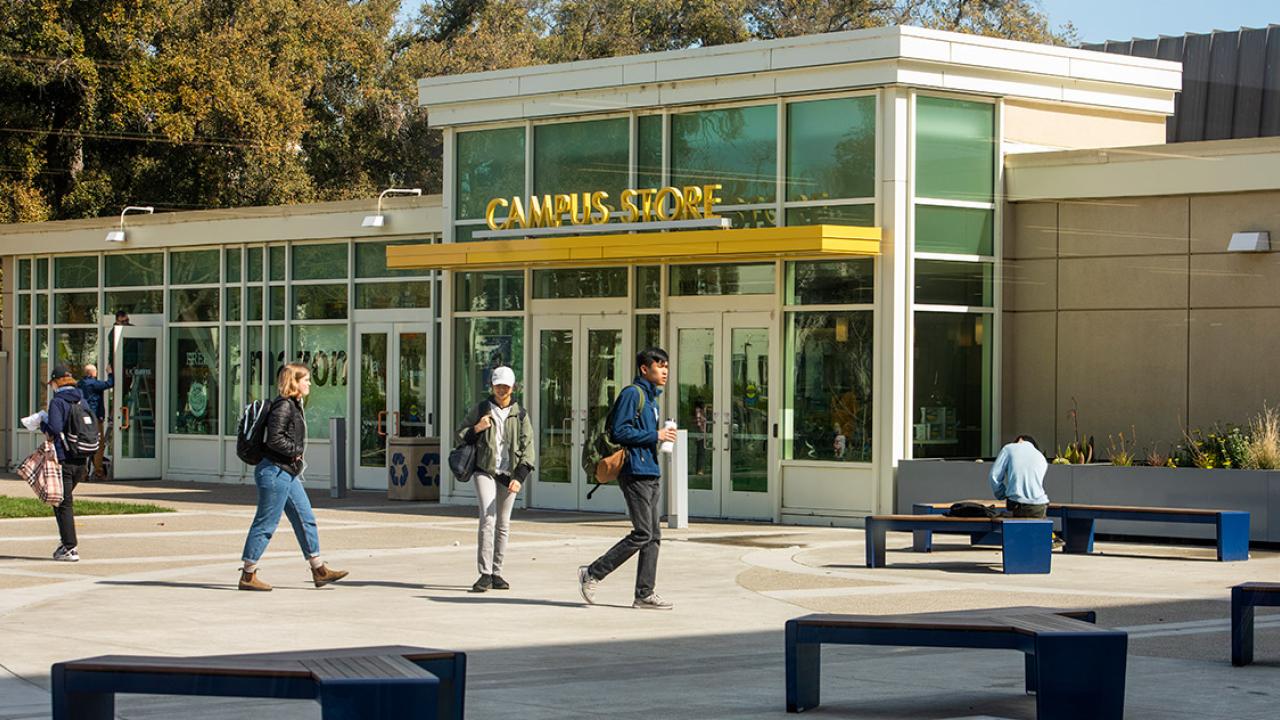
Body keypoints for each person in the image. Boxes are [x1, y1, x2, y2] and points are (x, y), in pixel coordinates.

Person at [578, 347, 678, 610]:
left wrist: (659, 437)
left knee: (653, 536)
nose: (665, 371)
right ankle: (593, 572)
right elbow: (619, 431)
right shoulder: (632, 394)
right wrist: (655, 436)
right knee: (643, 532)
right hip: (634, 473)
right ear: (645, 369)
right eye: (659, 366)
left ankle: (644, 594)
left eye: (666, 366)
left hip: (650, 471)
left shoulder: (651, 399)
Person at [238, 362, 348, 591]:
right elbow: (275, 439)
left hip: (286, 472)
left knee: (304, 517)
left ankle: (319, 570)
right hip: (274, 472)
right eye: (305, 379)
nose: (309, 383)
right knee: (266, 522)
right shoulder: (284, 406)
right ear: (294, 382)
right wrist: (295, 451)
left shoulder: (294, 405)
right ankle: (248, 575)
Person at [455, 366, 535, 593]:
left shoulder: (520, 415)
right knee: (488, 518)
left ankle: (497, 571)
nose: (501, 390)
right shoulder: (481, 408)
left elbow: (528, 448)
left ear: (513, 387)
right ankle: (485, 573)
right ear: (492, 386)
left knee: (503, 523)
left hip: (509, 474)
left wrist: (520, 477)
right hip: (484, 470)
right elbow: (459, 434)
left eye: (506, 386)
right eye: (498, 385)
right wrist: (477, 428)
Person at [40, 365, 90, 562]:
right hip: (82, 458)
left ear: (56, 382)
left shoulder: (58, 402)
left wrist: (41, 422)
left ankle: (69, 547)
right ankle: (66, 544)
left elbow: (54, 428)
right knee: (62, 501)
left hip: (64, 458)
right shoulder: (82, 399)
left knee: (62, 503)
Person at [990, 435, 1050, 517]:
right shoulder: (1041, 457)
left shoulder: (1009, 448)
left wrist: (1002, 494)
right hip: (1040, 505)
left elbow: (994, 476)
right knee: (1036, 529)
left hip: (1017, 504)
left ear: (1020, 439)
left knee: (1008, 526)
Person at [77, 364, 114, 479]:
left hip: (82, 417)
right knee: (99, 443)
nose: (97, 373)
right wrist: (110, 373)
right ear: (92, 373)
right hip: (95, 418)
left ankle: (83, 472)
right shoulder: (93, 383)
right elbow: (109, 384)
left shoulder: (80, 384)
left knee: (83, 443)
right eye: (96, 371)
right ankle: (98, 471)